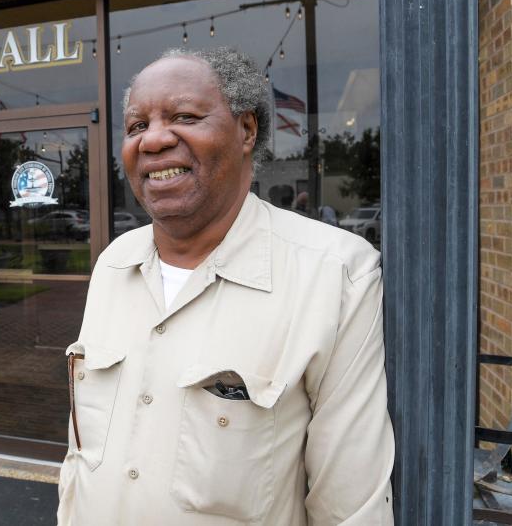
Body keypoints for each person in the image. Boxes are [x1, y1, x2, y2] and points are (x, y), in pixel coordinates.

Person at [57, 47, 394, 525]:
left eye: (185, 116)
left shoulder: (336, 275)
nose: (152, 140)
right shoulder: (114, 264)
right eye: (136, 126)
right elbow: (80, 457)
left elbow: (351, 507)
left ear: (247, 131)